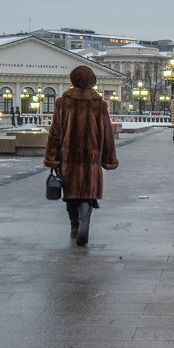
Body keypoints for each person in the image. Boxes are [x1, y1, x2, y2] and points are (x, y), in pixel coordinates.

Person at [43, 65, 119, 246]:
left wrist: (52, 157)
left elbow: (55, 132)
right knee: (88, 190)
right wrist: (109, 159)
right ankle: (86, 215)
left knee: (71, 195)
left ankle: (75, 224)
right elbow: (107, 133)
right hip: (91, 157)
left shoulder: (63, 102)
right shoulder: (99, 104)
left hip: (69, 157)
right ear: (92, 81)